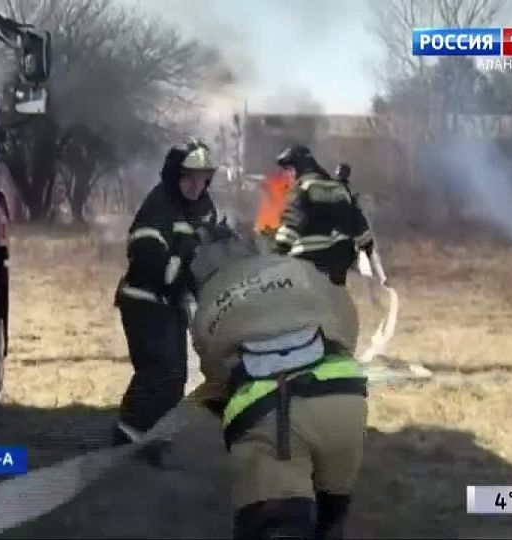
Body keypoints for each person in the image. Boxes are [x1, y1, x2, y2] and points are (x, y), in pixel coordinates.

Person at [187, 231, 369, 540]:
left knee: (278, 523)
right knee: (330, 516)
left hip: (270, 417)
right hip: (343, 399)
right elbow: (346, 318)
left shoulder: (208, 307)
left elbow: (218, 377)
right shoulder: (298, 271)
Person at [111, 137, 219, 457]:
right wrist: (178, 263)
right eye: (190, 178)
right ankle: (127, 437)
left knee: (176, 377)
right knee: (157, 370)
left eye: (203, 178)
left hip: (172, 304)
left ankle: (154, 438)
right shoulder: (159, 205)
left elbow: (206, 255)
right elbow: (144, 252)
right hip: (143, 299)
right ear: (176, 176)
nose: (197, 185)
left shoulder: (204, 207)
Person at [273, 146, 374, 286]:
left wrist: (279, 250)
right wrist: (366, 246)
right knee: (334, 298)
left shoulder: (303, 187)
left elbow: (293, 220)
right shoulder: (338, 187)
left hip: (308, 258)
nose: (288, 176)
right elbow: (357, 221)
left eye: (290, 171)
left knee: (309, 302)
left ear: (298, 168)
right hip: (339, 260)